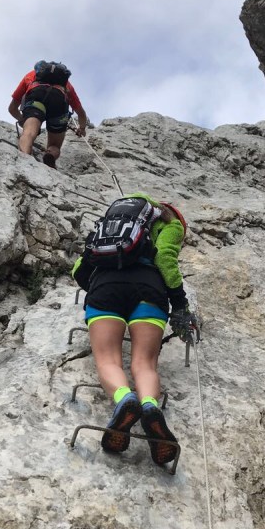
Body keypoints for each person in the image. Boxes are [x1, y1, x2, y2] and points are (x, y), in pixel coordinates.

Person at [72, 193, 200, 465]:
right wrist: (180, 304)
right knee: (144, 364)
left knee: (108, 360)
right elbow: (165, 260)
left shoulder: (111, 222)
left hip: (106, 288)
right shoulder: (171, 224)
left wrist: (98, 287)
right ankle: (150, 407)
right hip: (149, 289)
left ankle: (124, 398)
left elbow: (79, 271)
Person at [8, 60, 89, 169]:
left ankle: (25, 160)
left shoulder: (31, 75)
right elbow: (81, 113)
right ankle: (50, 155)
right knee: (55, 145)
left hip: (37, 97)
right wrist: (82, 129)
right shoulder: (65, 83)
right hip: (58, 102)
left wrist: (22, 120)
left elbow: (12, 108)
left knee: (29, 133)